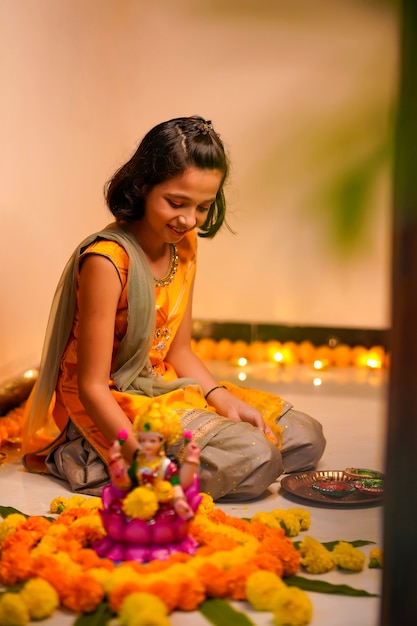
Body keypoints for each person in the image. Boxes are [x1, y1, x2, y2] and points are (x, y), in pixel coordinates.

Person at [22, 115, 325, 501]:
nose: (188, 220)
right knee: (256, 456)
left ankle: (229, 457)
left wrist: (220, 397)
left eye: (203, 207)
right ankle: (90, 457)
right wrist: (136, 459)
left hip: (166, 387)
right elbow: (91, 386)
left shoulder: (184, 246)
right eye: (176, 203)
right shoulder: (107, 261)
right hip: (116, 402)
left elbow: (179, 351)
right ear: (142, 186)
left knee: (306, 436)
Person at [93, 401, 202, 562]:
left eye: (152, 441)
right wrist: (116, 462)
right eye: (143, 441)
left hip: (161, 505)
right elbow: (127, 484)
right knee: (117, 510)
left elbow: (176, 484)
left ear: (162, 441)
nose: (146, 445)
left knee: (169, 514)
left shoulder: (166, 465)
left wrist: (179, 498)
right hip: (136, 502)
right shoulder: (138, 463)